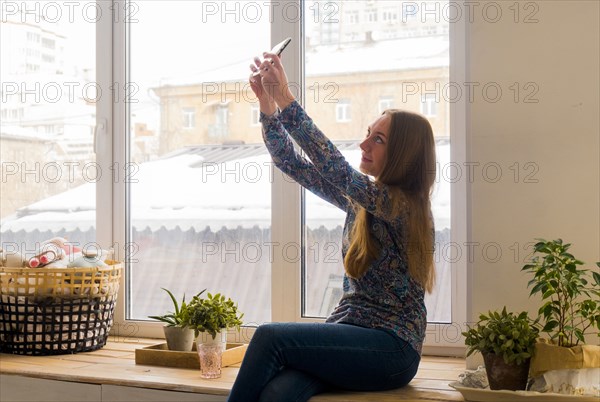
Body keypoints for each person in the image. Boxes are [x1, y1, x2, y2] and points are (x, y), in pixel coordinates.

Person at [227, 51, 437, 402]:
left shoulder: (403, 207)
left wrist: (286, 98)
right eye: (369, 133)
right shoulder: (364, 201)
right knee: (278, 392)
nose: (364, 143)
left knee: (269, 337)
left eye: (379, 140)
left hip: (392, 348)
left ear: (403, 154)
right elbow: (291, 163)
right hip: (350, 334)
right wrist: (268, 107)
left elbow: (333, 165)